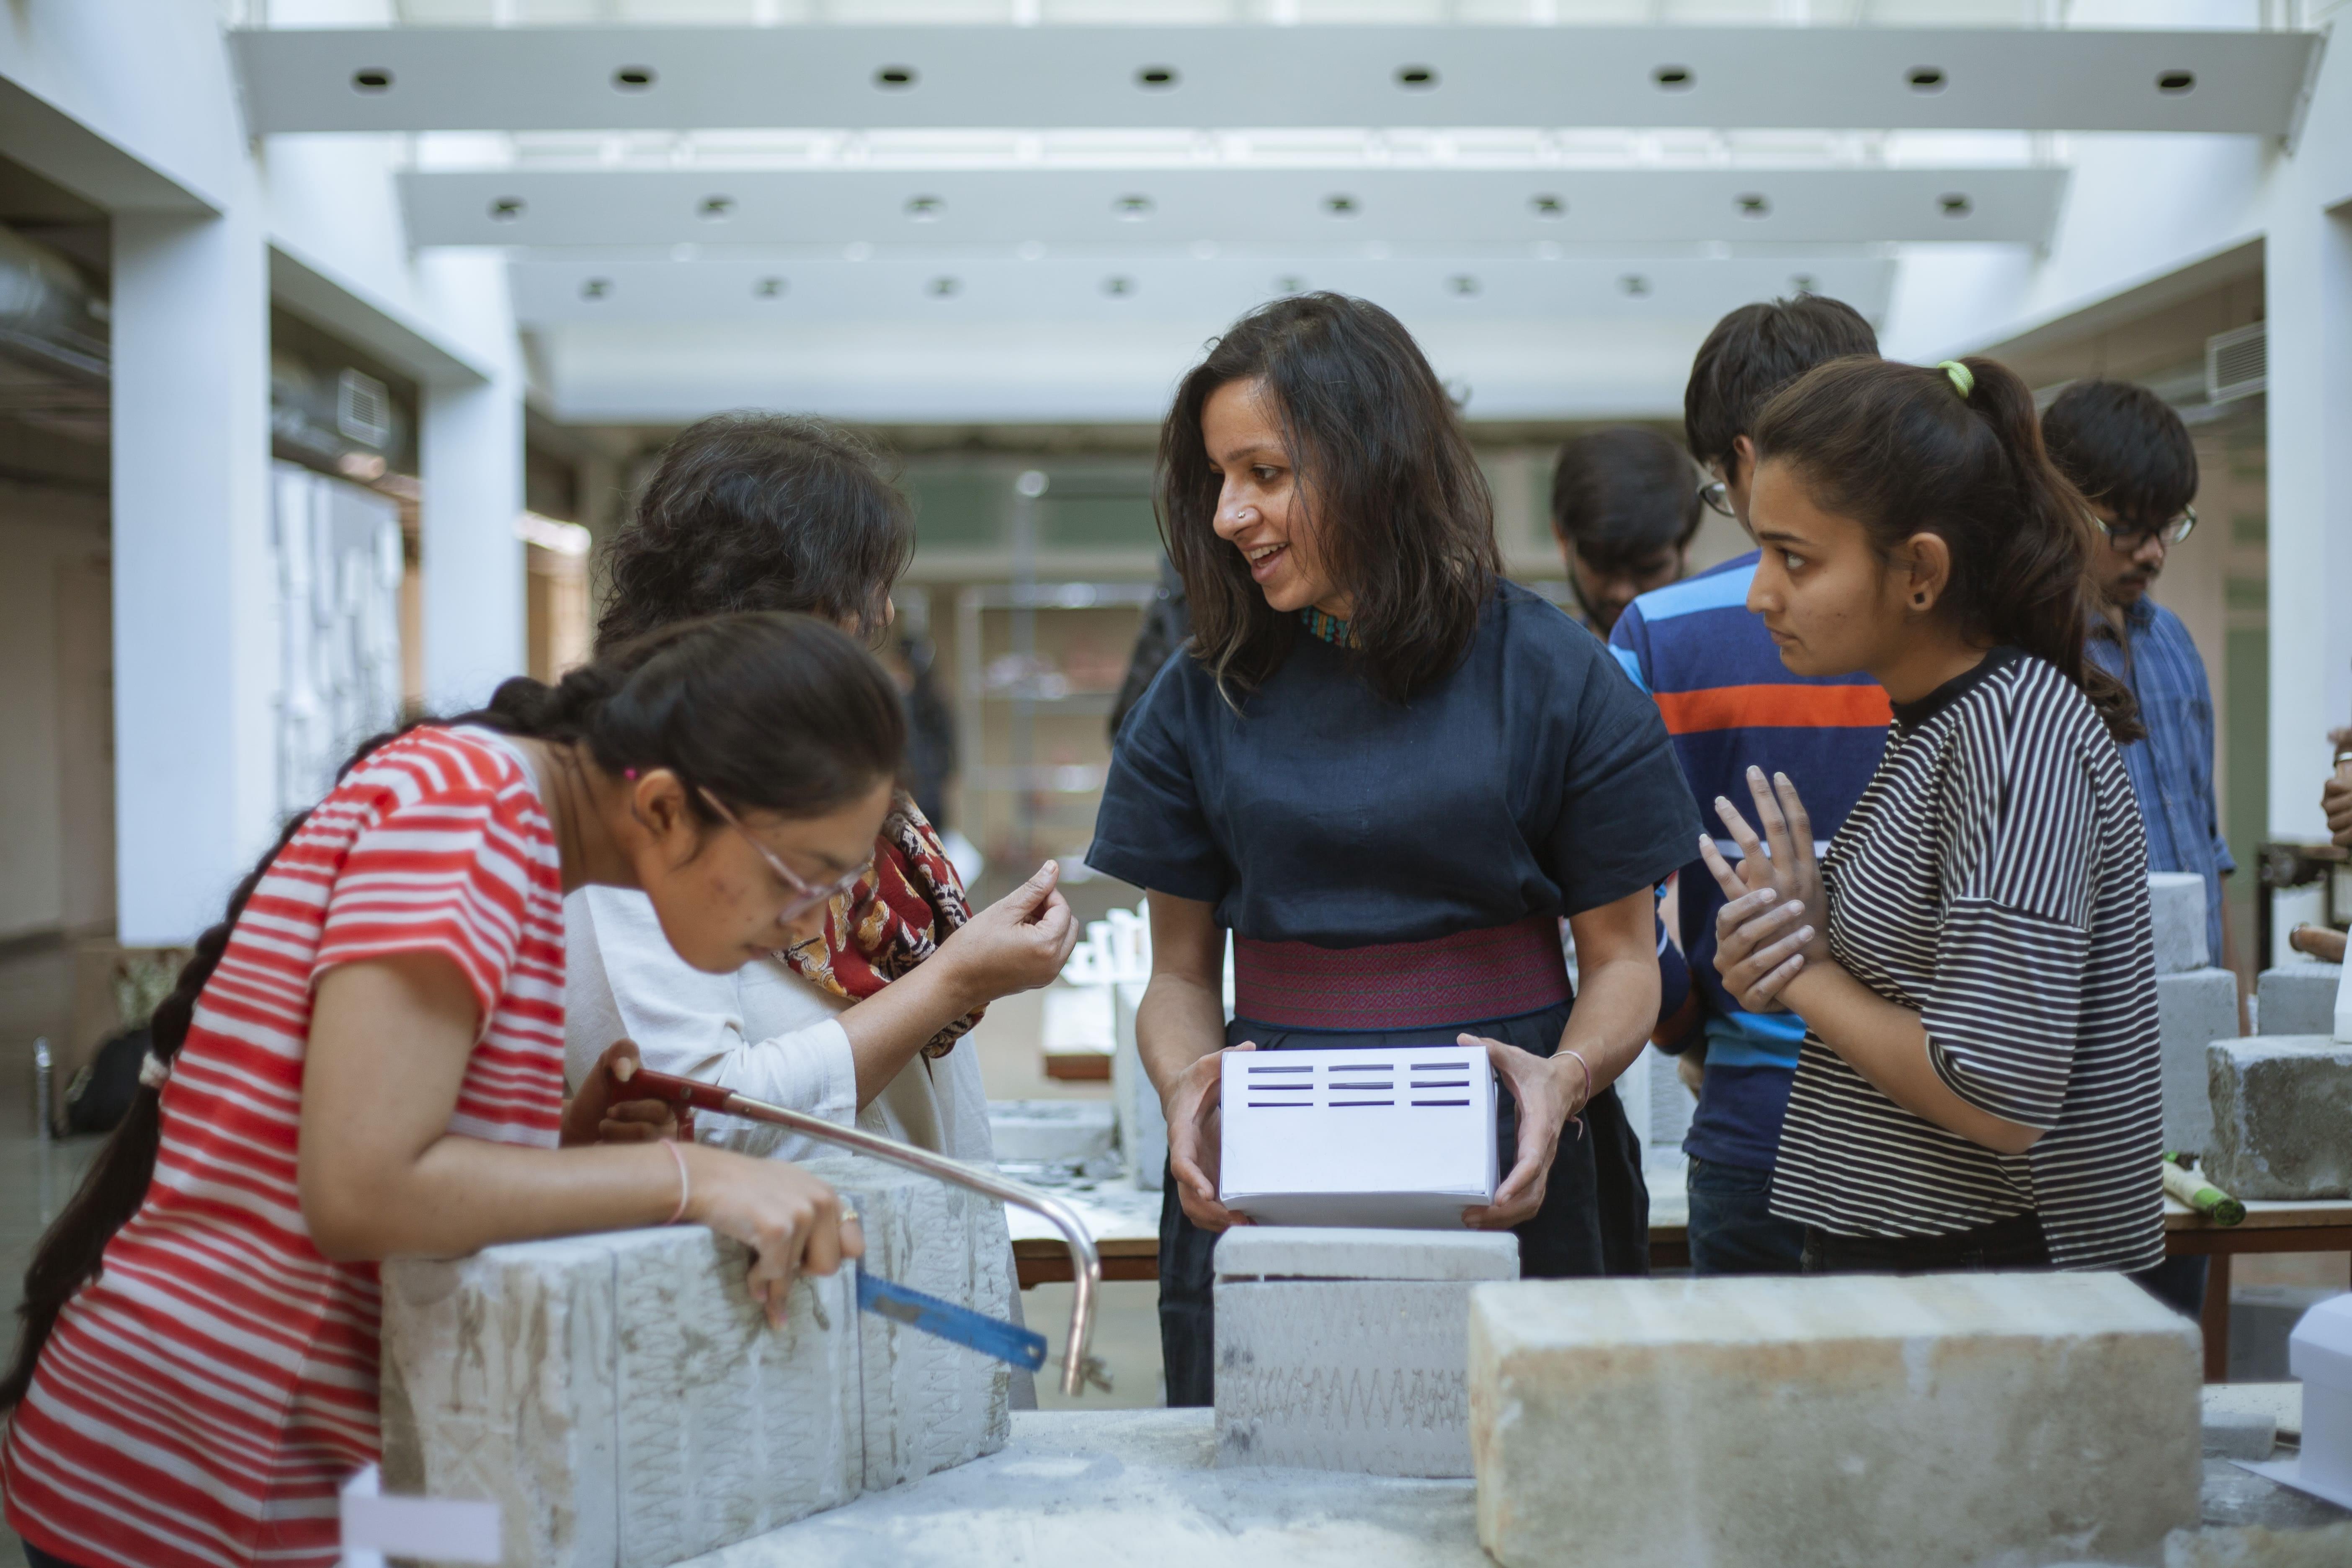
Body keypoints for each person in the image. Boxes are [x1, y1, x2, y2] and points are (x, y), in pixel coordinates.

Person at [1, 614, 884, 1568]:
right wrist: (694, 1176)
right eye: (803, 879)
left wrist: (557, 1154)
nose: (806, 921)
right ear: (667, 808)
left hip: (314, 1472)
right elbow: (360, 1191)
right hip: (207, 1481)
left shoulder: (494, 809)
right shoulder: (475, 816)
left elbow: (364, 1133)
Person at [1087, 293, 1698, 1405]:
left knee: (1522, 1473)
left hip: (1511, 1137)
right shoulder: (1201, 693)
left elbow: (1622, 963)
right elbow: (1179, 973)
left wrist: (1562, 1081)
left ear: (1374, 462)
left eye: (1265, 474)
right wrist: (1188, 1088)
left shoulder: (1554, 674)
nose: (1229, 515)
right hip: (1270, 1142)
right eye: (1219, 480)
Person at [1709, 354, 2163, 1278]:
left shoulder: (2013, 733)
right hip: (1934, 1274)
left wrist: (1801, 973)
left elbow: (1997, 1090)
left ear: (1920, 571)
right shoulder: (1944, 722)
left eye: (1794, 557)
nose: (1762, 593)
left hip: (1983, 1287)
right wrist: (1796, 940)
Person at [569, 413, 1076, 1171]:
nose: (884, 615)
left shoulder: (808, 769)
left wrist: (966, 969)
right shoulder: (651, 810)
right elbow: (701, 1115)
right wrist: (954, 979)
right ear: (775, 598)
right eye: (863, 585)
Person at [1605, 294, 1888, 1276]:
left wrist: (1691, 1025)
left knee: (1752, 1424)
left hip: (1758, 1113)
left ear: (1740, 457)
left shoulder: (1657, 632)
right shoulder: (1944, 613)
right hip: (1946, 1133)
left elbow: (1628, 900)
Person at [2044, 380, 2232, 967]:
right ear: (2061, 506)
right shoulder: (2033, 659)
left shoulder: (2172, 642)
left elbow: (2206, 841)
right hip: (2102, 1015)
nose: (2154, 553)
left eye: (2169, 526)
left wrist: (2233, 1002)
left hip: (2198, 995)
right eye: (2128, 529)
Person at [1549, 425, 1703, 637]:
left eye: (1648, 569)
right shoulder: (1536, 666)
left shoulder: (1727, 663)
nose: (1623, 593)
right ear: (1562, 539)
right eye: (1602, 567)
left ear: (1686, 546)